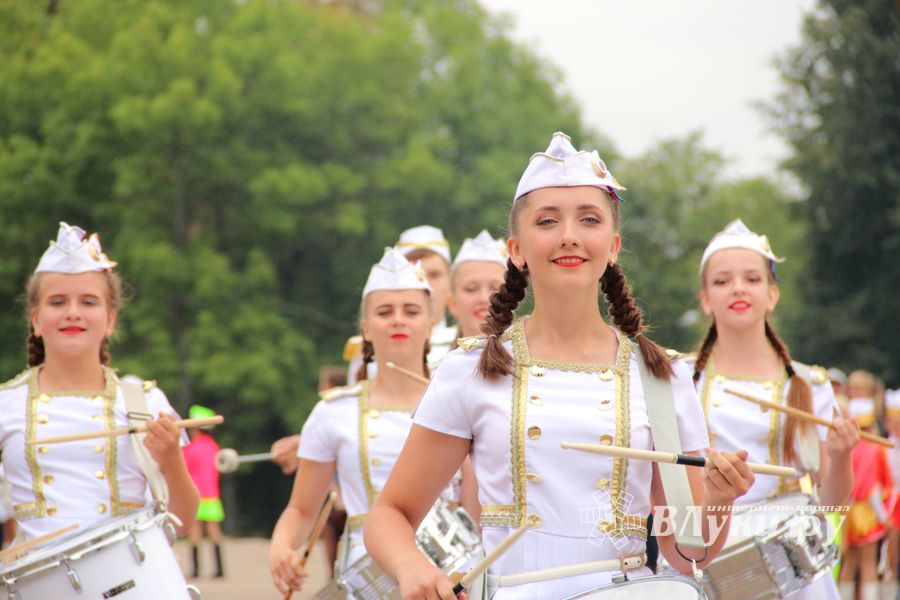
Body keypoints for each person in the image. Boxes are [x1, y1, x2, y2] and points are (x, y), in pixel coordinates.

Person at [364, 132, 755, 600]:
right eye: (547, 221)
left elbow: (688, 551)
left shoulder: (662, 377)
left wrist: (718, 501)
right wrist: (412, 568)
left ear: (612, 246)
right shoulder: (472, 368)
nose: (569, 235)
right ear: (516, 249)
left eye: (588, 220)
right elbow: (390, 513)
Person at [268, 248, 478, 596]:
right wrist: (281, 546)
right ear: (365, 328)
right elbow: (302, 508)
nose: (398, 320)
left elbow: (476, 506)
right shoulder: (334, 412)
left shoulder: (460, 401)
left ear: (430, 324)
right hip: (368, 577)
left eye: (410, 311)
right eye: (385, 312)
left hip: (451, 568)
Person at [689, 218, 859, 599]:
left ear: (772, 294)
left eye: (752, 279)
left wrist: (841, 454)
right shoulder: (680, 379)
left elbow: (831, 501)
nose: (738, 288)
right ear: (705, 299)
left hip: (790, 568)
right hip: (707, 552)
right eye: (722, 281)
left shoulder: (809, 385)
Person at [0, 222, 198, 543]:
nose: (73, 313)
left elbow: (183, 524)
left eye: (89, 302)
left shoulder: (145, 403)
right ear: (36, 319)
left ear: (111, 319)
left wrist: (172, 459)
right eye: (58, 302)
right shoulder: (6, 404)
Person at [346, 225, 456, 383]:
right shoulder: (371, 347)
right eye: (415, 274)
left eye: (434, 275)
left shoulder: (466, 346)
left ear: (451, 283)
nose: (426, 284)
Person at [840, 373, 892, 600]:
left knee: (849, 563)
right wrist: (883, 515)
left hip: (848, 509)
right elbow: (874, 487)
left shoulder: (847, 448)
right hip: (867, 511)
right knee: (869, 564)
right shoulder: (874, 448)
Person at [183, 404, 225, 578]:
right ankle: (219, 569)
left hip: (196, 495)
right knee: (215, 531)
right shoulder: (214, 447)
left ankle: (195, 570)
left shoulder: (191, 448)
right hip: (212, 494)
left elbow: (185, 469)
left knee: (195, 532)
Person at [446, 230, 508, 341]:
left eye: (495, 288)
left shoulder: (537, 355)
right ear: (452, 303)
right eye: (471, 289)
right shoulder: (439, 358)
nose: (484, 298)